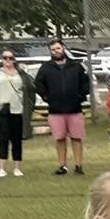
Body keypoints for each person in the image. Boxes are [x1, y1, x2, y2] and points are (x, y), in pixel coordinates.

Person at [34, 40, 89, 176]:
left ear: (63, 48)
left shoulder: (76, 66)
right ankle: (62, 166)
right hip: (56, 109)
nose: (56, 51)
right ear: (50, 52)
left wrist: (80, 97)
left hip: (74, 108)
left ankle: (78, 165)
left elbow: (85, 83)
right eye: (53, 49)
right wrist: (47, 97)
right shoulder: (46, 68)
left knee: (76, 138)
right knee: (60, 138)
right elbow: (38, 84)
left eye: (58, 48)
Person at [0, 50, 33, 177]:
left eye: (10, 58)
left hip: (17, 109)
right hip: (1, 108)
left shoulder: (21, 73)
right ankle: (2, 168)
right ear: (1, 59)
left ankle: (17, 167)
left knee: (16, 139)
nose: (8, 60)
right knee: (3, 138)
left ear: (14, 59)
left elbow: (30, 88)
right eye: (5, 58)